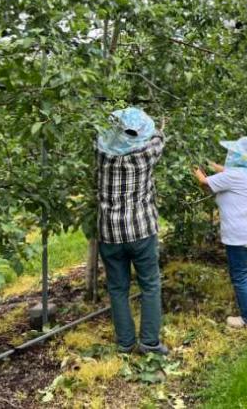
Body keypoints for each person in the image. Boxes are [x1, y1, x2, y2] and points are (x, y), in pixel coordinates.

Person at [96, 107, 168, 355]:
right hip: (141, 230)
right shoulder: (146, 154)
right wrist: (159, 125)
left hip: (110, 232)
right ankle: (149, 342)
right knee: (150, 284)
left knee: (117, 288)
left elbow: (102, 133)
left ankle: (125, 343)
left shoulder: (102, 155)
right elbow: (159, 137)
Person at [192, 136, 247, 330]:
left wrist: (193, 166)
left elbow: (205, 183)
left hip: (238, 235)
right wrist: (211, 164)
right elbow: (226, 171)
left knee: (239, 276)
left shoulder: (233, 176)